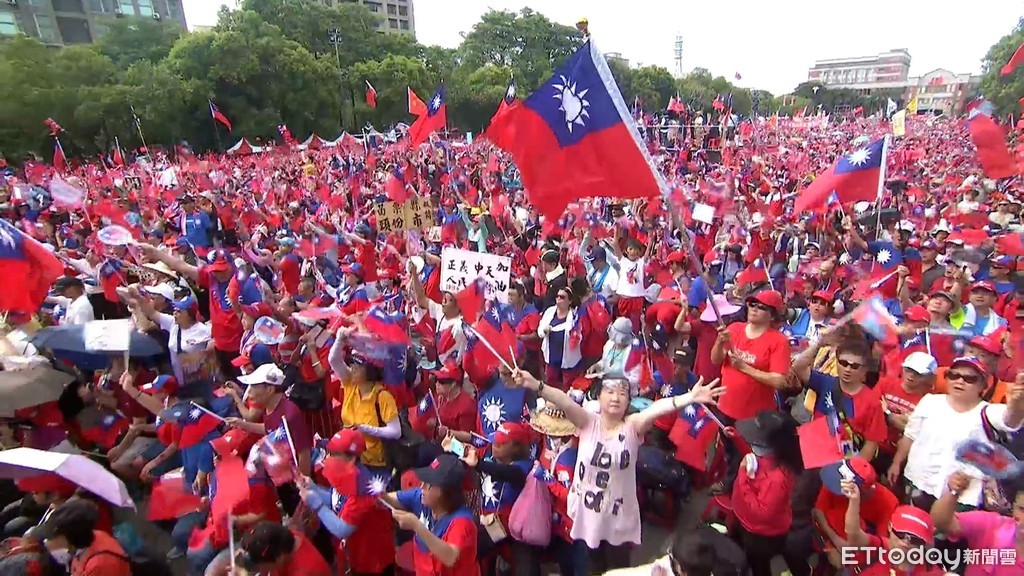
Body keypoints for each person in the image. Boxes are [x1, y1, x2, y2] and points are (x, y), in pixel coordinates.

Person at [509, 369, 723, 574]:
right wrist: (536, 384)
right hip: (588, 518)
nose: (615, 397)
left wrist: (690, 397)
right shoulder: (587, 422)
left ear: (628, 401)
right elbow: (564, 401)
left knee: (618, 569)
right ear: (599, 396)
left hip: (618, 519)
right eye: (609, 391)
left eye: (622, 393)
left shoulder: (632, 427)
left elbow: (656, 409)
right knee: (593, 566)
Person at [888, 358, 1024, 510]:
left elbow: (1010, 420)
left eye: (969, 378)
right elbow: (910, 436)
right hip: (917, 482)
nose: (960, 381)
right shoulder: (930, 402)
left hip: (961, 497)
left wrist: (1017, 403)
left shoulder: (988, 412)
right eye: (954, 375)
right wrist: (896, 463)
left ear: (983, 386)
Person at [299, 429, 396, 576]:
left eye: (335, 454)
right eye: (330, 452)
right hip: (355, 551)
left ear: (351, 458)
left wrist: (317, 504)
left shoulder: (363, 489)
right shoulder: (344, 475)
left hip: (373, 559)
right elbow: (335, 500)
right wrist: (312, 487)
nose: (329, 458)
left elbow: (342, 529)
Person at [730, 410, 807, 576]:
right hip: (745, 519)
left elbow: (763, 513)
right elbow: (751, 454)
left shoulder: (778, 479)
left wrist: (743, 476)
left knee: (759, 566)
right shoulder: (773, 455)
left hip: (759, 533)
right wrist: (737, 438)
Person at [384, 454, 480, 576]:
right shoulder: (422, 497)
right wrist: (382, 496)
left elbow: (450, 557)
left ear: (445, 492)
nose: (421, 486)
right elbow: (394, 498)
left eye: (428, 484)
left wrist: (417, 526)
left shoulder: (463, 522)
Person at [327, 334, 401, 471]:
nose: (352, 368)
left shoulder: (383, 396)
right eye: (352, 364)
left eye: (358, 366)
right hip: (350, 458)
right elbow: (333, 360)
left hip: (375, 464)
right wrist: (340, 340)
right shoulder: (350, 384)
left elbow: (395, 431)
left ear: (370, 371)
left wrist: (367, 429)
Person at [931, 470, 1024, 575]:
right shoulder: (992, 525)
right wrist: (954, 492)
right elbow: (942, 522)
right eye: (1022, 509)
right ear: (1013, 506)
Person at [38, 499, 131, 576]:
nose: (47, 543)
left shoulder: (100, 564)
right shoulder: (84, 543)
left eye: (51, 537)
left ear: (69, 536)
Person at [229, 521, 332, 576]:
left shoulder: (304, 571)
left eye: (259, 567)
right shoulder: (287, 538)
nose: (258, 570)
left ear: (280, 558)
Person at [539, 286, 584, 390]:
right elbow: (540, 329)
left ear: (570, 301)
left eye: (562, 297)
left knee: (567, 386)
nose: (558, 299)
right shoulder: (550, 312)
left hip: (568, 357)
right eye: (557, 297)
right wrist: (544, 331)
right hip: (552, 356)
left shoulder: (575, 316)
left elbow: (579, 336)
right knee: (550, 384)